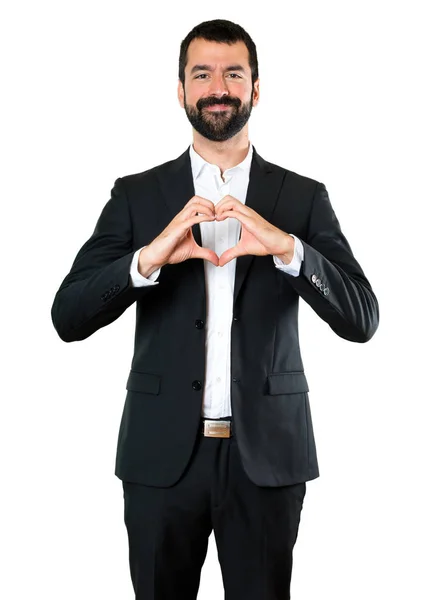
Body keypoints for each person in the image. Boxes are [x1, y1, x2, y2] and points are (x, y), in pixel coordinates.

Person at [51, 18, 379, 600]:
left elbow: (362, 319)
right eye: (202, 74)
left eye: (234, 73)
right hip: (161, 459)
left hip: (268, 461)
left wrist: (290, 250)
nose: (218, 87)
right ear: (180, 90)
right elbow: (68, 316)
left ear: (257, 88)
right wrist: (145, 260)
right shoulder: (138, 195)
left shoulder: (301, 197)